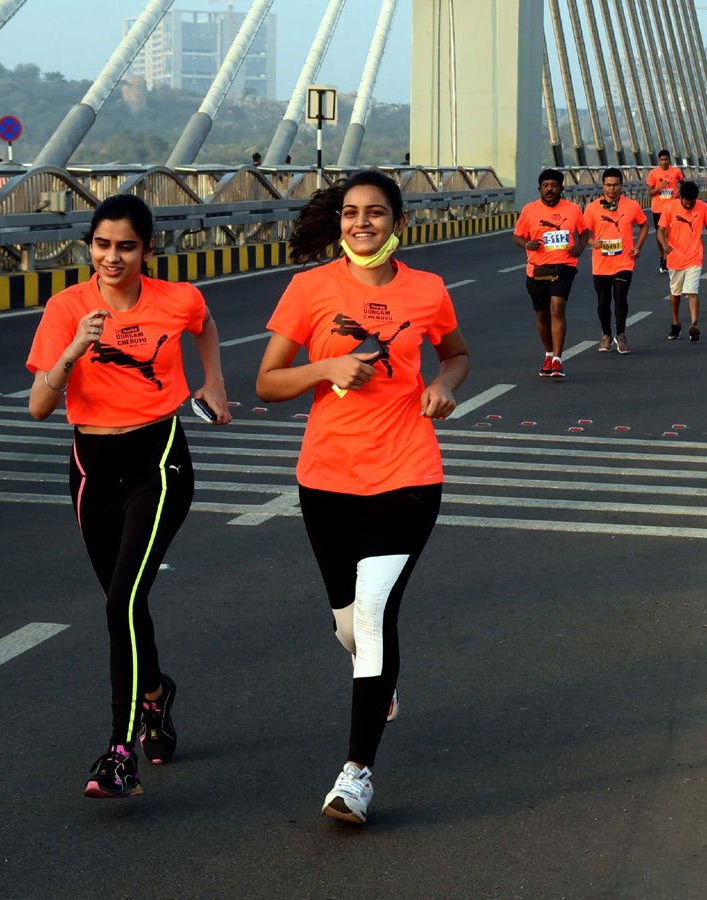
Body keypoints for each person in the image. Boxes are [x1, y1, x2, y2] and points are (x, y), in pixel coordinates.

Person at [256, 170, 470, 825]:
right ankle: (381, 682)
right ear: (339, 221)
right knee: (349, 625)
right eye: (351, 213)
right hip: (326, 477)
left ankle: (356, 775)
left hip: (407, 472)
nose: (361, 223)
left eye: (375, 213)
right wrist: (324, 368)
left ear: (395, 221)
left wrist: (442, 385)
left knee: (374, 616)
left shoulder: (428, 291)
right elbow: (267, 382)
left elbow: (457, 354)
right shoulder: (309, 289)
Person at [25, 194, 231, 799]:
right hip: (91, 468)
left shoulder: (177, 299)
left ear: (148, 249)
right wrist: (72, 351)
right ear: (89, 245)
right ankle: (158, 693)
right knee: (124, 603)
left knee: (121, 604)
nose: (112, 258)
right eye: (101, 244)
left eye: (126, 246)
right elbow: (40, 407)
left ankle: (120, 752)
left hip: (158, 462)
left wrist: (213, 383)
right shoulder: (67, 308)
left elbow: (205, 325)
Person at [512, 168, 589, 378]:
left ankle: (557, 359)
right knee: (542, 314)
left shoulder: (573, 209)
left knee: (557, 306)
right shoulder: (529, 210)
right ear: (539, 189)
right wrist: (528, 244)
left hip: (565, 266)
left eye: (554, 185)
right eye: (546, 186)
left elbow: (584, 231)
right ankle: (548, 353)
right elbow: (517, 236)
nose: (549, 189)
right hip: (537, 269)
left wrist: (580, 249)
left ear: (561, 188)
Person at [582, 167, 649, 353]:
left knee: (620, 298)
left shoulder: (631, 205)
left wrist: (638, 248)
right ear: (603, 186)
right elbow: (582, 232)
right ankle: (605, 336)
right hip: (601, 263)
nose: (612, 189)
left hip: (624, 262)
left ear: (622, 185)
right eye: (608, 185)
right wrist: (591, 241)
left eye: (616, 185)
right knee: (603, 302)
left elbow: (644, 225)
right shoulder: (593, 208)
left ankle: (621, 334)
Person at [657, 181, 707, 342]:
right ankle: (675, 324)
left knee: (692, 291)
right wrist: (664, 245)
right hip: (675, 258)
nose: (689, 205)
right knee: (675, 293)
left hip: (695, 256)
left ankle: (693, 324)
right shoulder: (670, 208)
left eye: (692, 202)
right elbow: (661, 230)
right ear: (681, 197)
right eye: (686, 202)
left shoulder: (702, 207)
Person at [646, 150, 684, 272]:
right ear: (658, 161)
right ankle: (662, 256)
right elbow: (650, 193)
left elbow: (683, 182)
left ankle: (667, 260)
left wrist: (680, 192)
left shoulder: (675, 171)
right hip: (658, 208)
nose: (664, 162)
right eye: (662, 160)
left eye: (666, 159)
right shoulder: (653, 173)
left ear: (669, 160)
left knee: (669, 233)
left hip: (672, 207)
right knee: (660, 234)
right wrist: (661, 187)